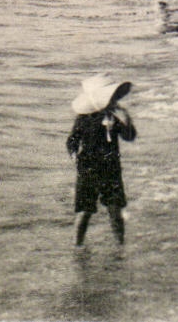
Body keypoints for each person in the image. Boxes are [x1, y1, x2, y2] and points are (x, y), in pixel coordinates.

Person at [66, 76, 136, 246]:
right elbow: (72, 141)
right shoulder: (83, 119)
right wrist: (75, 156)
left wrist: (126, 119)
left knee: (115, 211)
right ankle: (77, 246)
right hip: (88, 169)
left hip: (110, 169)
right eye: (111, 97)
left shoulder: (114, 117)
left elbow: (129, 136)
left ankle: (120, 246)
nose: (114, 101)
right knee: (84, 212)